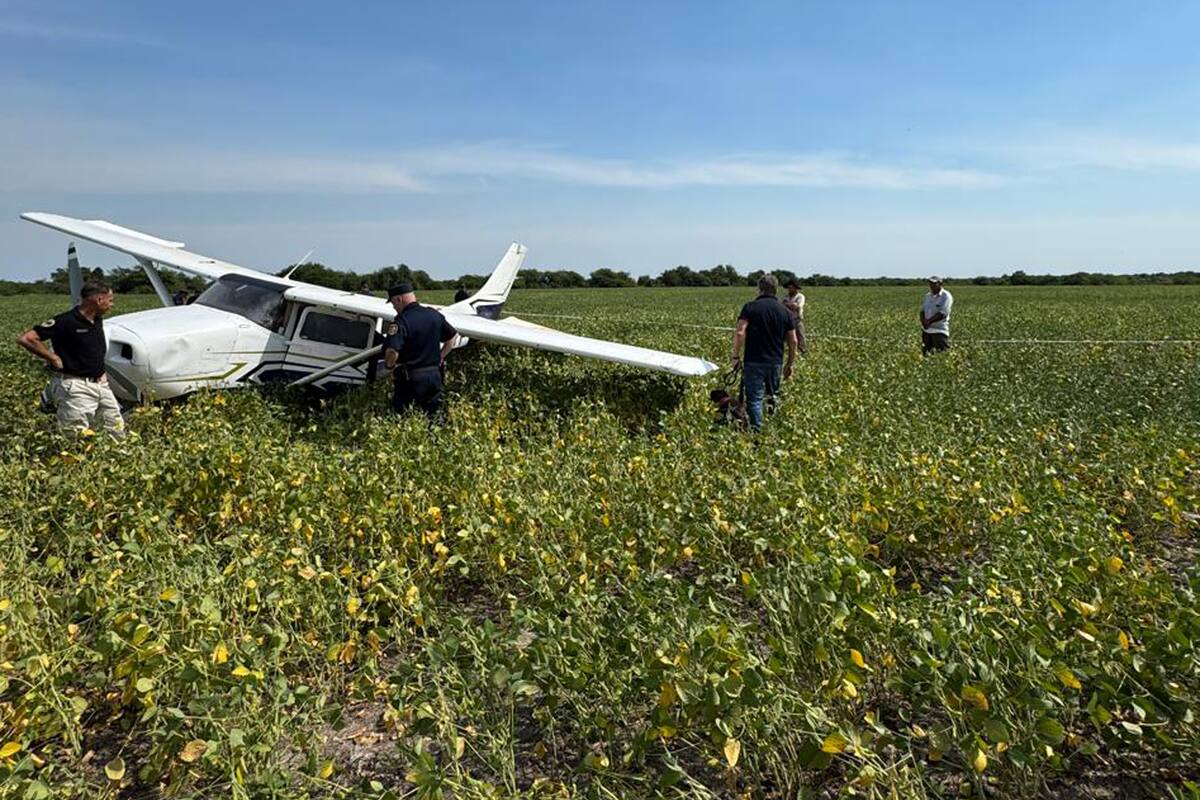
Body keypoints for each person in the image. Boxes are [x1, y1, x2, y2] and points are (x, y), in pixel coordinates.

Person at [16, 280, 125, 436]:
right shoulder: (65, 321)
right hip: (76, 386)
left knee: (115, 429)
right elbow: (27, 338)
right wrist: (52, 358)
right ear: (99, 300)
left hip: (101, 386)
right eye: (110, 300)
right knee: (74, 435)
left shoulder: (97, 320)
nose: (111, 305)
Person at [731, 274, 798, 431]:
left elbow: (740, 333)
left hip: (753, 360)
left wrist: (735, 356)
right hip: (775, 362)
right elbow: (793, 341)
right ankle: (773, 430)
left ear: (759, 289)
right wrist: (790, 364)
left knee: (754, 399)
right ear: (776, 290)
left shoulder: (750, 307)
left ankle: (758, 432)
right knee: (772, 396)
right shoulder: (785, 311)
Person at [384, 281, 458, 421]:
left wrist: (389, 367)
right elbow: (452, 338)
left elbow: (392, 351)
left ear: (399, 299)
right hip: (434, 376)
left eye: (393, 303)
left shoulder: (401, 321)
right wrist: (441, 356)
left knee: (403, 419)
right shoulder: (434, 315)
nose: (394, 307)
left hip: (411, 379)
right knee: (435, 418)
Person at [920, 275, 953, 355]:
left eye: (934, 283)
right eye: (930, 283)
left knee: (942, 355)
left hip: (939, 331)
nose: (931, 285)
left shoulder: (946, 296)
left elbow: (943, 313)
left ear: (940, 284)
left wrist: (928, 322)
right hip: (926, 331)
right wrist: (923, 321)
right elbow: (922, 311)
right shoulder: (928, 296)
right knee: (926, 355)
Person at [782, 279, 808, 355]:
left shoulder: (800, 296)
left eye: (792, 288)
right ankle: (790, 352)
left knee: (800, 337)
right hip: (787, 320)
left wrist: (787, 305)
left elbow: (797, 306)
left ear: (796, 288)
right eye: (789, 288)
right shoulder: (786, 297)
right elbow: (781, 305)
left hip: (797, 320)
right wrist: (790, 305)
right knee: (786, 338)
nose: (790, 289)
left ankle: (803, 352)